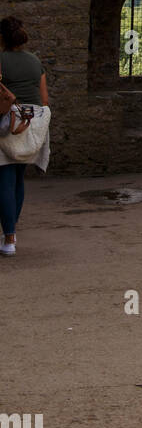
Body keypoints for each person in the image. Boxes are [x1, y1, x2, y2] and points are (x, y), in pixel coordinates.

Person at [0, 16, 50, 257]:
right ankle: (11, 232)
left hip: (6, 125)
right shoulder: (35, 61)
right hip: (30, 124)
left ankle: (9, 239)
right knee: (18, 180)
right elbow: (44, 99)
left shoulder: (0, 60)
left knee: (5, 182)